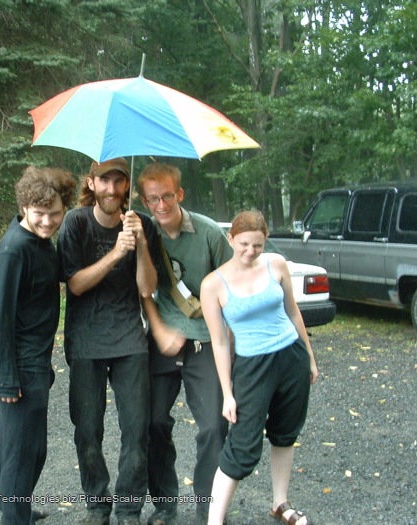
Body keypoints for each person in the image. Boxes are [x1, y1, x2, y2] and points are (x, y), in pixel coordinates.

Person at [57, 158, 160, 525]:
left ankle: (129, 508)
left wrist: (140, 243)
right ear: (92, 183)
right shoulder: (76, 223)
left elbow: (147, 287)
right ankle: (97, 505)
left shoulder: (141, 224)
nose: (112, 189)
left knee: (136, 429)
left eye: (119, 181)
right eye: (104, 181)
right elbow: (75, 284)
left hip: (129, 338)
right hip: (85, 340)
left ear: (127, 185)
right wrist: (117, 251)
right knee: (87, 430)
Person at [199, 211, 319, 525]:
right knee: (242, 445)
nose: (250, 251)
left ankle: (281, 503)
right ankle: (214, 520)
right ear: (230, 240)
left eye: (257, 245)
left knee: (285, 432)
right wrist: (228, 393)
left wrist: (309, 357)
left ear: (265, 241)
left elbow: (293, 312)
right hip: (252, 367)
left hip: (290, 357)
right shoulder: (213, 284)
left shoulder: (276, 264)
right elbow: (220, 342)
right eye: (243, 244)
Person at [137, 163, 231, 525]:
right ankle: (165, 505)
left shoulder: (208, 233)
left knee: (213, 427)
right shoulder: (144, 231)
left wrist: (230, 342)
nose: (160, 205)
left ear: (180, 194)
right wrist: (159, 330)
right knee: (153, 423)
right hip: (162, 339)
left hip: (206, 340)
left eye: (167, 196)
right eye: (152, 199)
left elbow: (232, 285)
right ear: (144, 201)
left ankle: (209, 508)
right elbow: (144, 290)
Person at [0, 166, 76, 525]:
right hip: (19, 365)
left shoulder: (40, 243)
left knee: (19, 445)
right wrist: (6, 378)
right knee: (24, 451)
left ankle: (15, 508)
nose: (48, 221)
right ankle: (14, 516)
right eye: (39, 213)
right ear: (24, 206)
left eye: (55, 213)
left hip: (35, 361)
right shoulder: (14, 250)